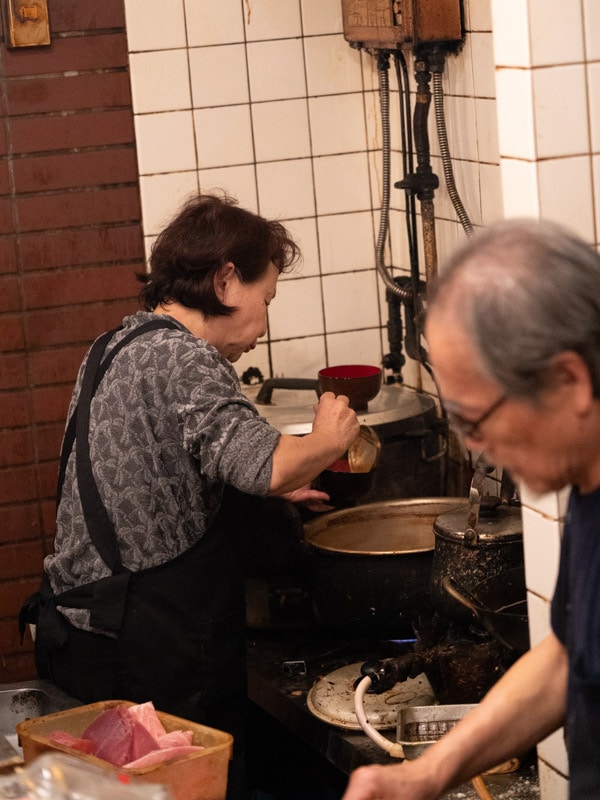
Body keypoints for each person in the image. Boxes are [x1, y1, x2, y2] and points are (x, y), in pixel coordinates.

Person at [20, 193, 359, 799]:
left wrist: (271, 492)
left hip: (84, 636)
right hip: (143, 656)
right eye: (267, 299)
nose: (264, 321)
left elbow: (172, 471)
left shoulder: (118, 345)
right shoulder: (185, 359)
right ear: (227, 280)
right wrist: (330, 435)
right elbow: (266, 464)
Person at [342, 217, 600, 800]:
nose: (475, 450)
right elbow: (567, 656)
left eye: (476, 421)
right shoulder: (586, 481)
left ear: (568, 380)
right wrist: (425, 774)